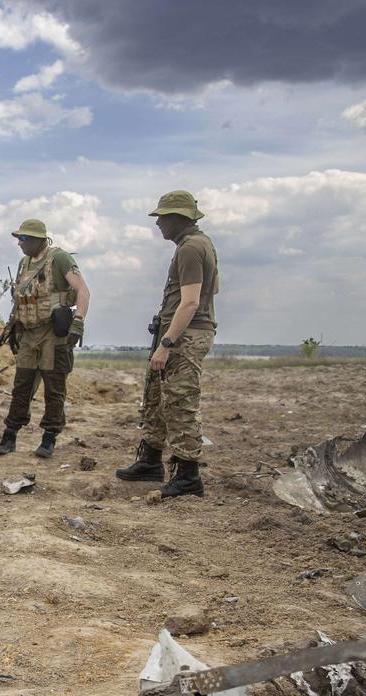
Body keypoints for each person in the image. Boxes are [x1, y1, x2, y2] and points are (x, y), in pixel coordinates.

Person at [115, 190, 219, 498]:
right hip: (177, 334)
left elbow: (189, 303)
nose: (158, 222)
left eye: (162, 217)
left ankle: (188, 475)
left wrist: (167, 343)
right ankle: (150, 461)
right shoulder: (195, 245)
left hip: (183, 337)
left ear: (178, 218)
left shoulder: (191, 248)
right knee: (157, 398)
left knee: (179, 403)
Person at [0, 219, 90, 458]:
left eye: (24, 239)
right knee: (21, 386)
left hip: (52, 335)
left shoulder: (60, 259)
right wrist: (14, 327)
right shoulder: (23, 263)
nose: (19, 243)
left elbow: (83, 291)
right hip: (28, 334)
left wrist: (78, 322)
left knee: (54, 389)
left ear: (38, 239)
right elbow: (20, 299)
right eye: (19, 238)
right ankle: (10, 435)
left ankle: (49, 438)